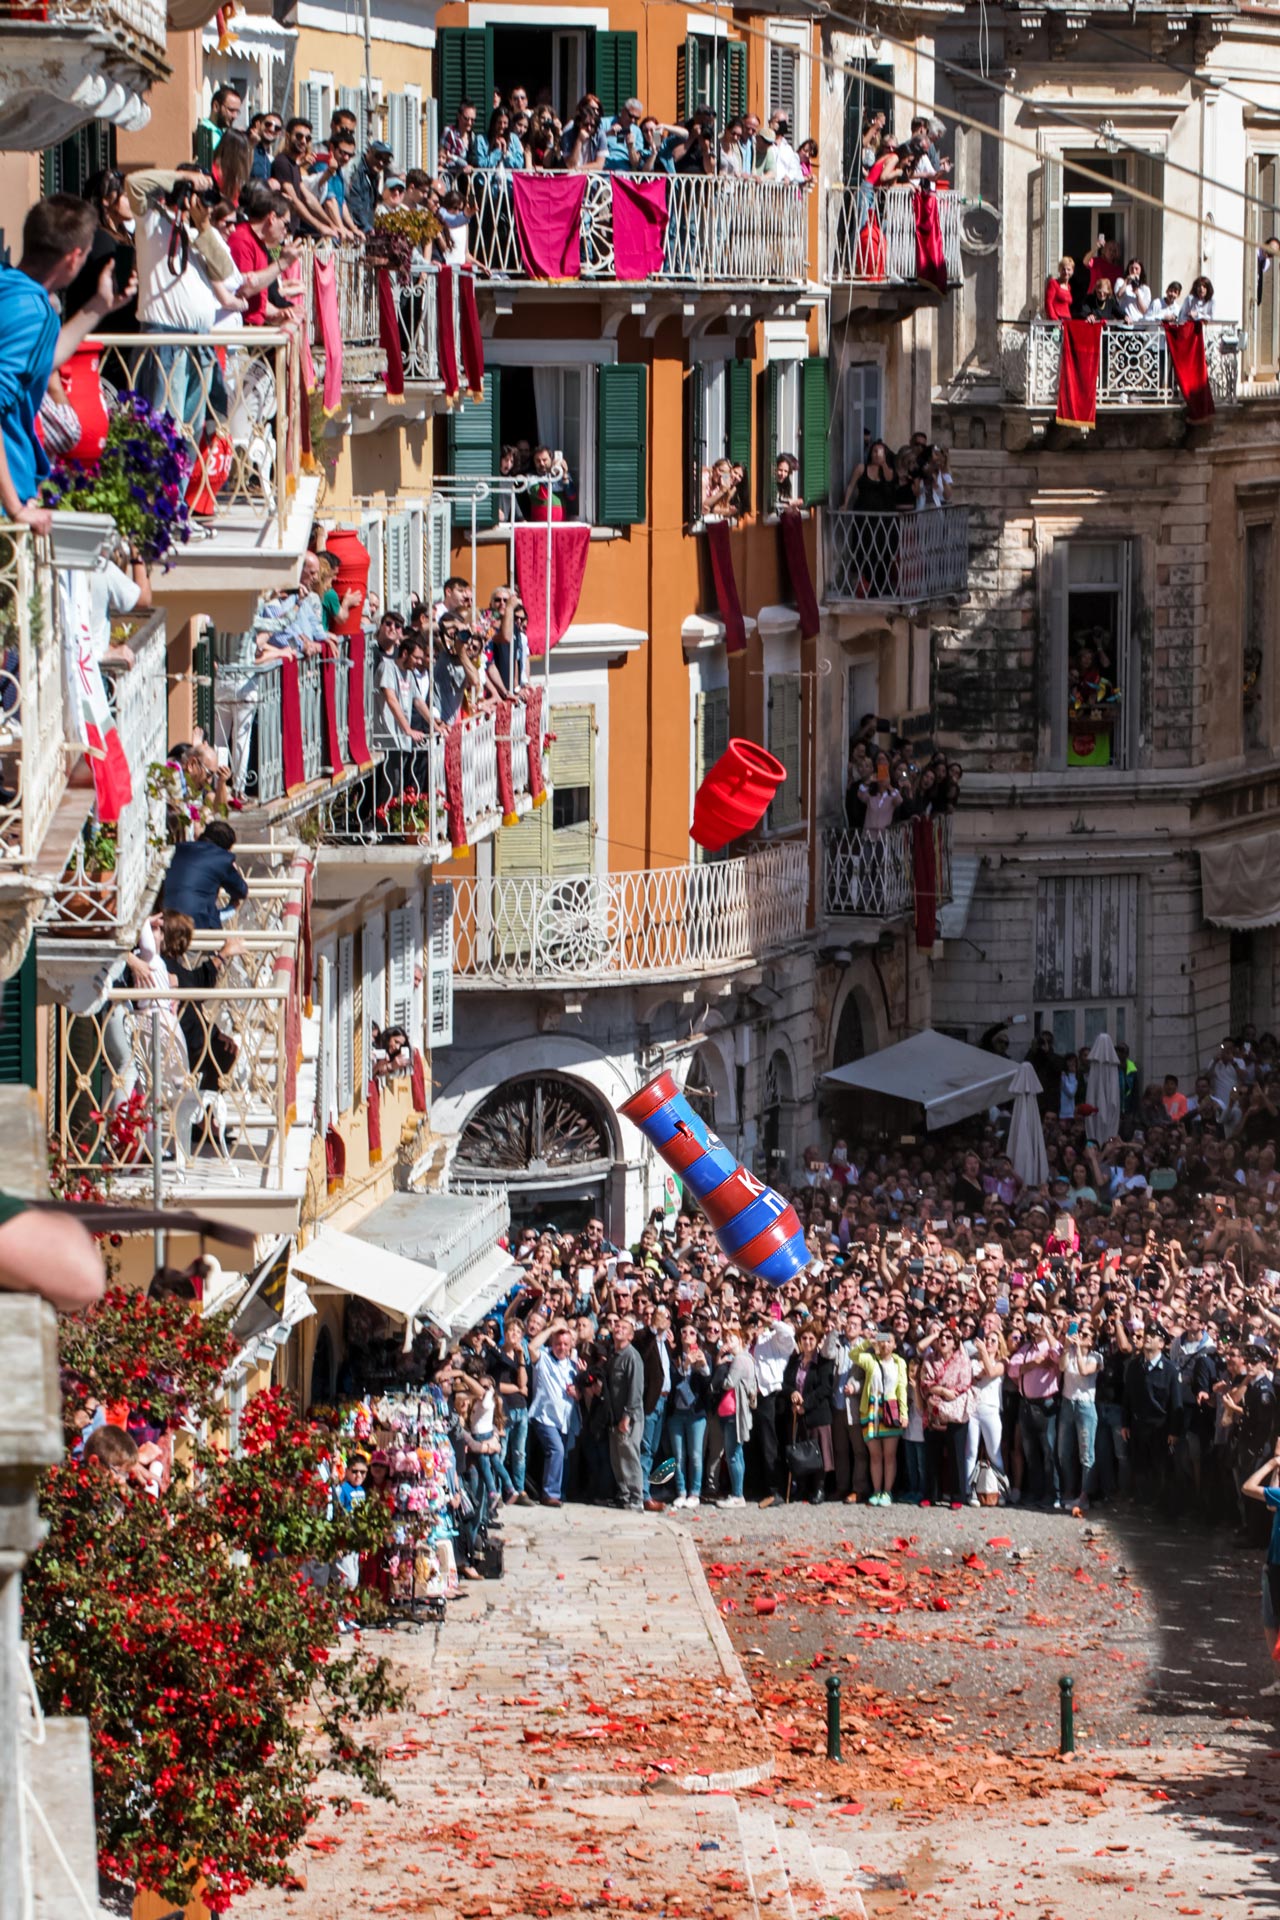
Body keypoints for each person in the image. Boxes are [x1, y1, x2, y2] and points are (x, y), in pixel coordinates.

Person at [0, 196, 133, 534]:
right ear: (74, 258)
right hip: (8, 503)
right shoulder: (33, 312)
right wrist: (15, 507)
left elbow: (42, 361)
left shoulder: (10, 287)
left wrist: (99, 307)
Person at [527, 1319, 580, 1507]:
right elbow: (531, 1347)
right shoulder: (544, 1359)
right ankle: (550, 1493)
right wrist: (551, 1329)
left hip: (564, 1419)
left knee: (562, 1453)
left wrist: (577, 1392)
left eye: (565, 1344)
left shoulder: (573, 1366)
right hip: (544, 1416)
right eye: (558, 1344)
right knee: (556, 1450)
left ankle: (560, 1491)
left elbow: (581, 1394)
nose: (561, 1347)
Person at [161, 819, 248, 930]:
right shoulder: (222, 858)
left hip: (165, 919)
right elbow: (241, 891)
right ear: (226, 848)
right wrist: (231, 871)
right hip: (196, 925)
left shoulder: (177, 848)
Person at [855, 1328, 907, 1506]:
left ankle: (887, 1491)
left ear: (894, 1345)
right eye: (882, 1340)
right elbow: (854, 1355)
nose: (885, 1344)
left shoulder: (899, 1363)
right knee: (875, 1455)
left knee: (890, 1455)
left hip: (890, 1410)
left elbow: (902, 1389)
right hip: (871, 1410)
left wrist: (904, 1412)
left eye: (888, 1341)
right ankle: (876, 1490)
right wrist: (868, 1341)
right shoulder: (871, 1360)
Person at [710, 1327, 756, 1506]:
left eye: (732, 1338)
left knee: (733, 1454)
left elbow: (729, 1383)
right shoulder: (742, 1359)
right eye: (726, 1338)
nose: (728, 1341)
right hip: (729, 1411)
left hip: (734, 1412)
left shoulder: (740, 1359)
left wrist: (721, 1367)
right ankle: (738, 1493)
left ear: (741, 1340)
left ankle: (737, 1495)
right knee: (737, 1454)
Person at [605, 1315, 645, 1511]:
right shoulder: (614, 1355)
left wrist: (627, 1416)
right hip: (614, 1415)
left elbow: (636, 1389)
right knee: (617, 1458)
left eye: (623, 1328)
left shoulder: (632, 1357)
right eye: (616, 1326)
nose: (618, 1329)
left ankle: (636, 1497)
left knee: (629, 1457)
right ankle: (624, 1495)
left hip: (628, 1417)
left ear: (630, 1336)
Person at [344, 137, 394, 234]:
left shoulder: (374, 174)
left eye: (386, 160)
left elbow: (371, 206)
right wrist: (367, 228)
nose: (381, 162)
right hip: (351, 230)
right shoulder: (357, 170)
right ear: (369, 152)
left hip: (363, 229)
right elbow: (355, 203)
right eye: (378, 156)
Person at [1045, 256, 1074, 322]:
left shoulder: (1069, 287)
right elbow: (1048, 303)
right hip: (1057, 320)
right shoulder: (1053, 283)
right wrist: (1055, 320)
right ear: (1059, 270)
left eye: (1068, 269)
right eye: (1063, 269)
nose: (1066, 272)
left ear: (1072, 271)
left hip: (1067, 320)